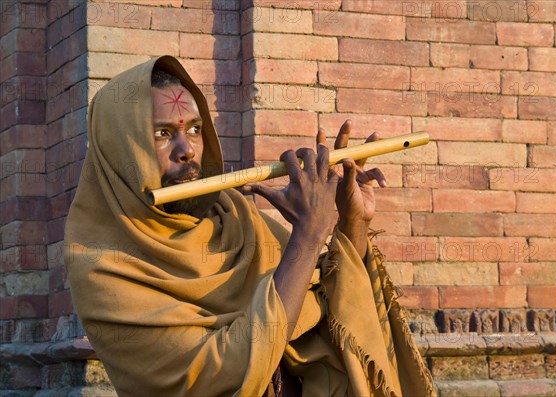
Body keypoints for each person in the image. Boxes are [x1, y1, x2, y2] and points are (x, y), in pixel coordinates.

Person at [65, 55, 435, 396]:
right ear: (119, 151)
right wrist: (307, 236)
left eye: (194, 129)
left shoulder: (232, 216)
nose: (188, 149)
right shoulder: (103, 265)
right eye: (162, 134)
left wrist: (351, 222)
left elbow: (326, 305)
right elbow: (221, 374)